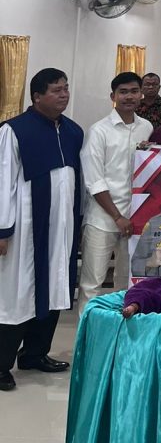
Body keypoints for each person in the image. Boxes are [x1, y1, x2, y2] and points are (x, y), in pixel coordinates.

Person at [0, 69, 83, 391]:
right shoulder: (14, 131)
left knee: (55, 287)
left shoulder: (73, 131)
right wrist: (3, 229)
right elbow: (3, 181)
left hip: (61, 227)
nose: (64, 95)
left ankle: (34, 354)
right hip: (25, 230)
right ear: (36, 97)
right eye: (56, 90)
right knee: (17, 293)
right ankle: (1, 364)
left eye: (66, 89)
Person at [79, 73, 154, 312]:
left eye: (134, 91)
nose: (129, 96)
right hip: (102, 219)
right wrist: (117, 217)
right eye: (123, 92)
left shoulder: (147, 128)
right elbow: (94, 180)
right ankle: (89, 335)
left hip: (135, 220)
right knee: (92, 285)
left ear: (141, 94)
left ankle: (119, 332)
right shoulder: (99, 131)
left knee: (126, 284)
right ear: (113, 96)